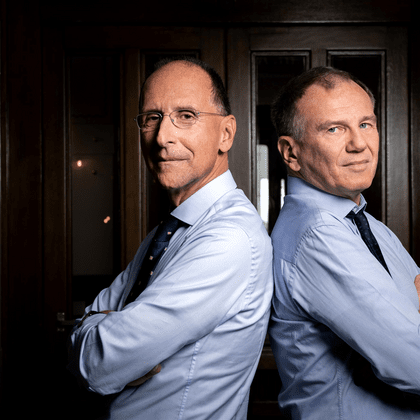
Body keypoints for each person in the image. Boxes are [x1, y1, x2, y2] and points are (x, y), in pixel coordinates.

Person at [67, 57, 273, 420]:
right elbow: (87, 335)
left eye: (186, 116)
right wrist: (95, 331)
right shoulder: (169, 231)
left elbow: (100, 363)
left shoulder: (229, 238)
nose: (162, 137)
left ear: (226, 134)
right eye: (152, 118)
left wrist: (101, 335)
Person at [268, 66, 420, 420]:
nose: (359, 144)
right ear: (291, 153)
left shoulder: (368, 226)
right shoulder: (318, 235)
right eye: (334, 129)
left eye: (366, 124)